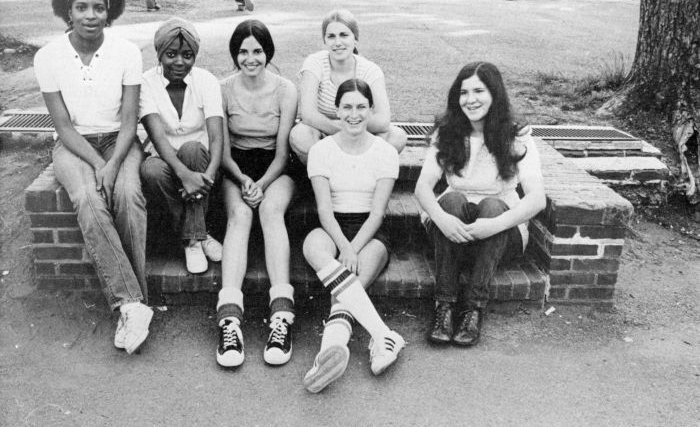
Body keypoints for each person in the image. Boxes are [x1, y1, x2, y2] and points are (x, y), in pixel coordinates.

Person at [34, 0, 152, 354]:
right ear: (68, 11)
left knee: (127, 194)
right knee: (87, 196)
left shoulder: (126, 52)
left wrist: (115, 162)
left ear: (109, 11)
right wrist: (99, 165)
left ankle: (135, 305)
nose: (91, 15)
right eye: (81, 8)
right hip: (75, 146)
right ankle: (132, 304)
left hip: (120, 141)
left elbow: (130, 119)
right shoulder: (47, 56)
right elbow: (63, 127)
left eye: (99, 8)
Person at [414, 62, 546, 347]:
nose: (470, 99)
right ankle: (444, 308)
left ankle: (474, 309)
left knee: (492, 205)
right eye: (463, 92)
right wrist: (441, 218)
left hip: (499, 236)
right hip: (452, 232)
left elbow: (537, 199)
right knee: (450, 199)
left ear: (495, 94)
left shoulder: (516, 137)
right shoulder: (447, 133)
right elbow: (422, 187)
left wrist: (493, 225)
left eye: (478, 91)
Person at [302, 78, 405, 394]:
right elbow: (324, 210)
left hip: (370, 231)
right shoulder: (320, 150)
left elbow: (377, 213)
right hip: (333, 226)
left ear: (371, 110)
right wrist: (344, 247)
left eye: (361, 107)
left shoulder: (386, 152)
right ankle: (384, 336)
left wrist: (354, 248)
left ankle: (327, 351)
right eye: (347, 106)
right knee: (312, 246)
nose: (354, 114)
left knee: (348, 288)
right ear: (337, 110)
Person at [216, 20, 298, 368]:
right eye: (243, 51)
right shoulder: (221, 87)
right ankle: (229, 320)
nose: (250, 58)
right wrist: (242, 179)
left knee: (269, 211)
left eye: (258, 51)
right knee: (241, 214)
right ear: (235, 54)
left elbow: (282, 153)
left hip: (274, 168)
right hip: (236, 165)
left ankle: (281, 316)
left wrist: (261, 184)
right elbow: (220, 148)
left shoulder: (285, 89)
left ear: (268, 52)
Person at [139, 18, 224, 275]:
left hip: (200, 161)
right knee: (151, 170)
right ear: (159, 54)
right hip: (164, 159)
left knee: (192, 148)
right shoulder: (146, 83)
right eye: (171, 54)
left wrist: (206, 177)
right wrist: (184, 176)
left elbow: (217, 137)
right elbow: (157, 137)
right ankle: (198, 237)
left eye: (187, 55)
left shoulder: (207, 80)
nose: (179, 62)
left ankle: (191, 240)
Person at [289, 9, 407, 165]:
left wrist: (353, 132)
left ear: (355, 39)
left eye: (344, 35)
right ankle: (325, 176)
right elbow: (308, 114)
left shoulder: (370, 70)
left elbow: (383, 120)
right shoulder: (314, 63)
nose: (337, 42)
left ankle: (358, 174)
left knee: (397, 136)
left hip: (359, 132)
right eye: (331, 36)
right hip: (325, 134)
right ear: (324, 40)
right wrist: (342, 133)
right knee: (300, 135)